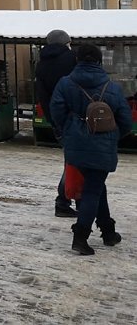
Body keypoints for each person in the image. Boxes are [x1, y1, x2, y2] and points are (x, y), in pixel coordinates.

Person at [50, 42, 132, 255]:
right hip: (103, 145)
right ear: (99, 61)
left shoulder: (65, 83)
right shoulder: (112, 87)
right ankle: (80, 237)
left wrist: (67, 132)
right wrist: (112, 136)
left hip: (75, 145)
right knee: (93, 189)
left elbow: (56, 110)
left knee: (96, 188)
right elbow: (125, 120)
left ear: (77, 60)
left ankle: (108, 232)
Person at [35, 29, 79, 218]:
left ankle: (66, 199)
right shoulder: (71, 59)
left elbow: (42, 95)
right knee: (75, 161)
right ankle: (64, 200)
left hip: (56, 119)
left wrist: (52, 118)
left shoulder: (41, 63)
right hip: (75, 117)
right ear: (65, 43)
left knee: (71, 159)